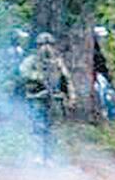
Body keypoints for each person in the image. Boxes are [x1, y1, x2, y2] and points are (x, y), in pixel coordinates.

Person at [19, 32, 74, 161]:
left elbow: (66, 79)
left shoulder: (57, 63)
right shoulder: (31, 61)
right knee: (37, 127)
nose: (46, 48)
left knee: (53, 128)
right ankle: (37, 154)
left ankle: (51, 155)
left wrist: (71, 96)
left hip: (54, 99)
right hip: (36, 98)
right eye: (42, 44)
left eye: (49, 44)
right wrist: (39, 77)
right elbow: (23, 73)